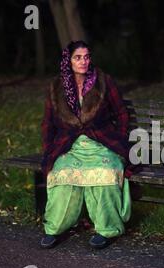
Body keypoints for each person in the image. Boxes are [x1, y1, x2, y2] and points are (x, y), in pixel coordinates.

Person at [40, 40, 132, 249]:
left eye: (87, 56)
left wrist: (119, 138)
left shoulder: (103, 81)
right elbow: (47, 122)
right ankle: (55, 228)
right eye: (78, 57)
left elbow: (121, 113)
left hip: (101, 142)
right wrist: (49, 150)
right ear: (68, 60)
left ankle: (107, 229)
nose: (84, 61)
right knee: (61, 173)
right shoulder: (57, 86)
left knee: (106, 172)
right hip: (69, 144)